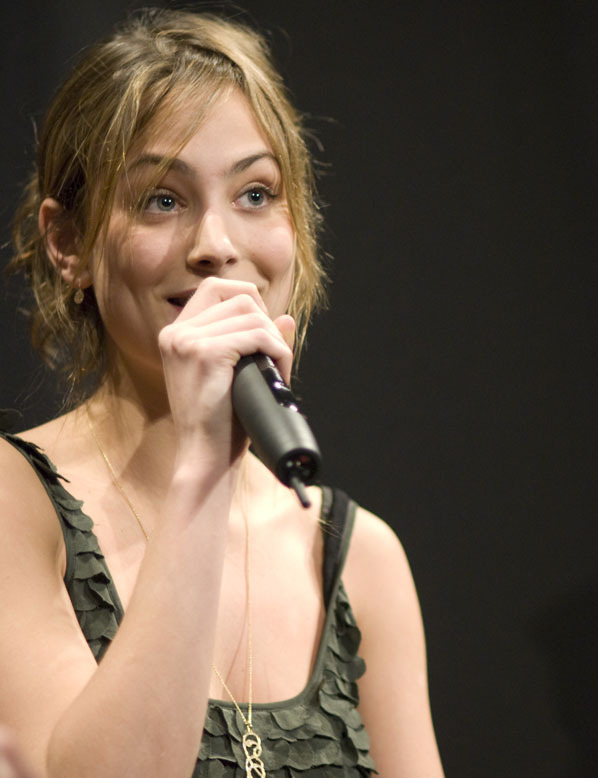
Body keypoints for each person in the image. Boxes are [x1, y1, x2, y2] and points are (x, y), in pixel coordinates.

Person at [0, 9, 443, 777]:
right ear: (67, 243)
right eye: (162, 200)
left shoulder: (357, 555)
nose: (218, 245)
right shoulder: (15, 506)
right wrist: (202, 464)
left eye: (255, 193)